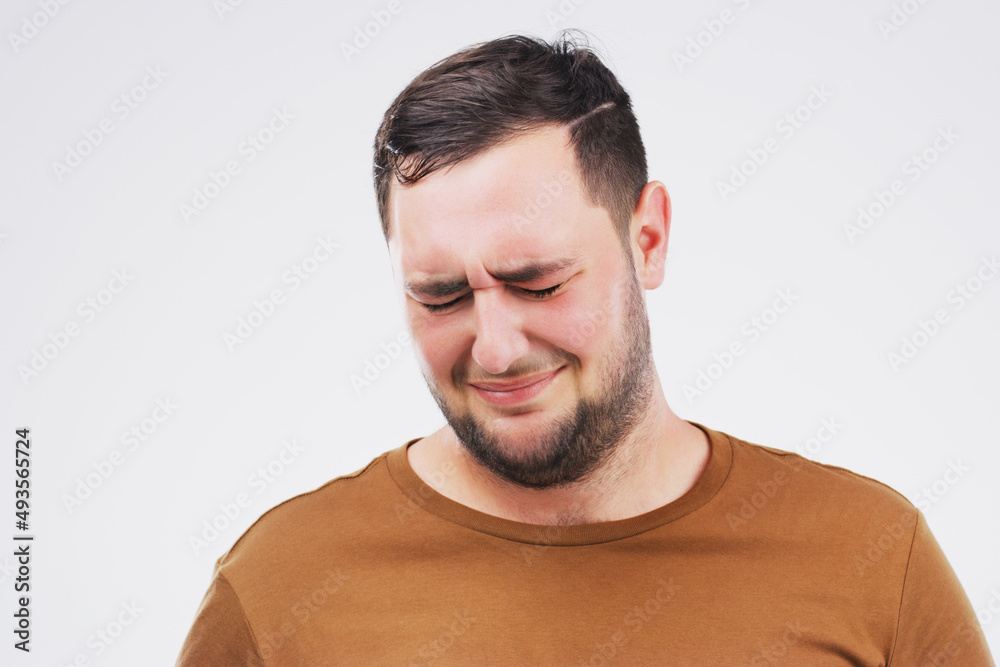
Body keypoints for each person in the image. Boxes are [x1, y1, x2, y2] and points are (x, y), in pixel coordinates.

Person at [176, 32, 994, 665]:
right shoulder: (281, 585)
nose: (495, 349)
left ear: (648, 237)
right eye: (441, 295)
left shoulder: (872, 557)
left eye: (537, 283)